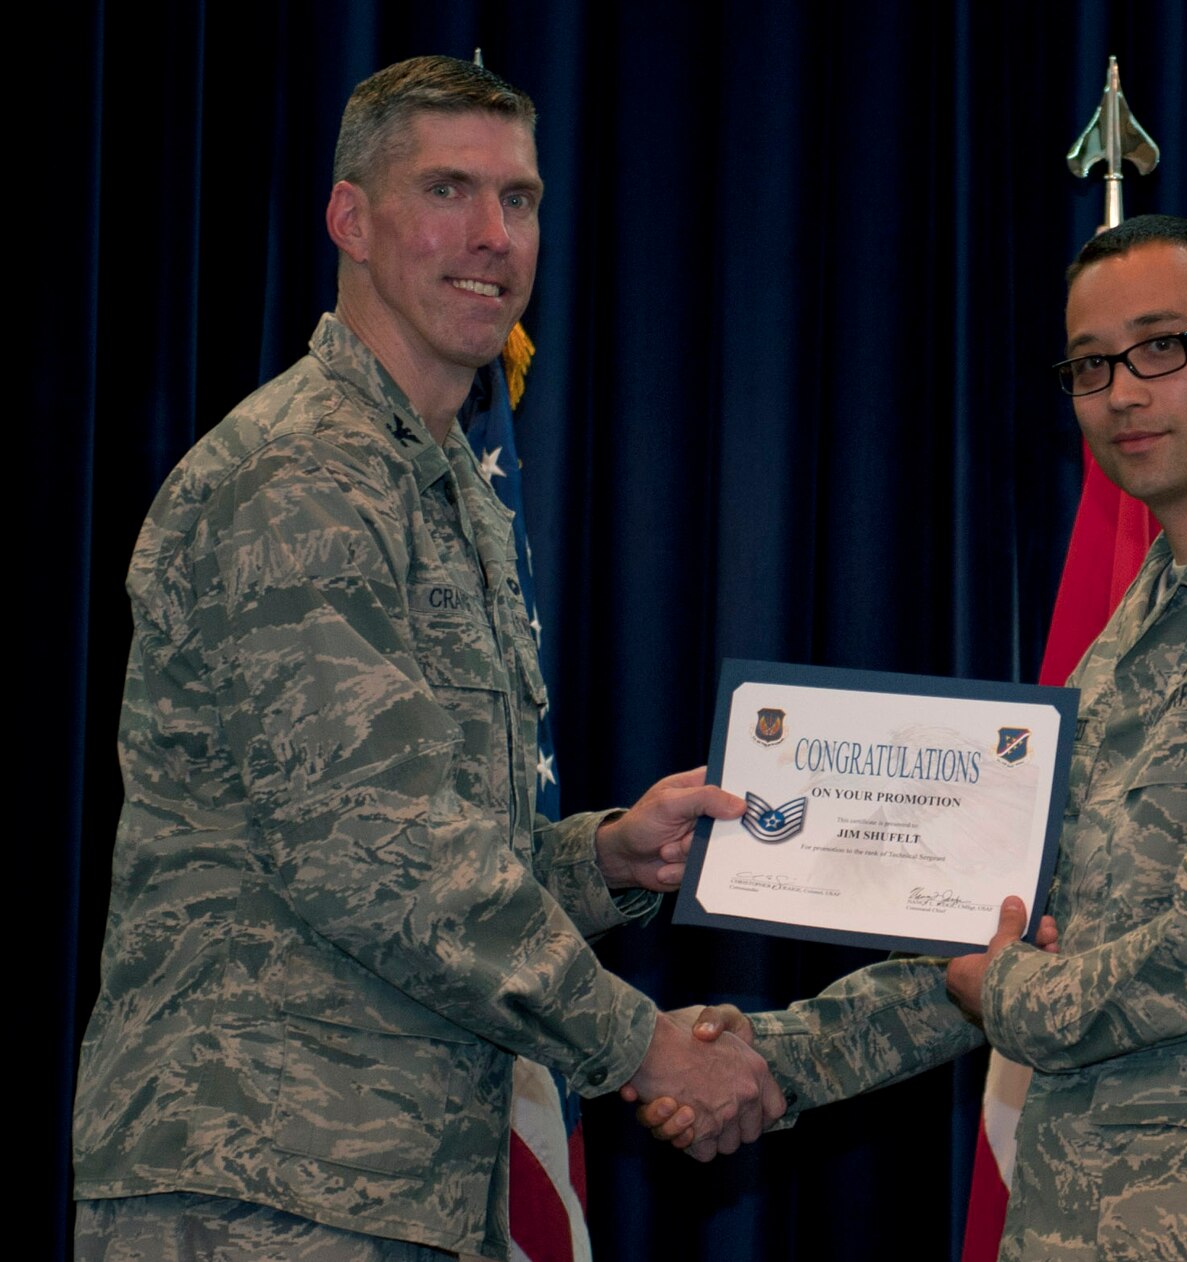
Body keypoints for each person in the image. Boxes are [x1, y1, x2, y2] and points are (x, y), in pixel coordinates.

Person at [645, 215, 1187, 1260]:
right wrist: (774, 1054)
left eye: (1160, 346)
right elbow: (999, 924)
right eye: (1089, 365)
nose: (1122, 390)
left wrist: (1024, 995)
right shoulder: (1128, 639)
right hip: (1090, 1216)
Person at [70, 56, 782, 1261]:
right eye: (448, 189)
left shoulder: (438, 480)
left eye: (520, 199)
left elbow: (441, 842)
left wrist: (606, 855)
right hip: (260, 1183)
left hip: (398, 1186)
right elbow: (377, 851)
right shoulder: (295, 476)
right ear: (351, 218)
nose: (491, 235)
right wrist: (639, 1044)